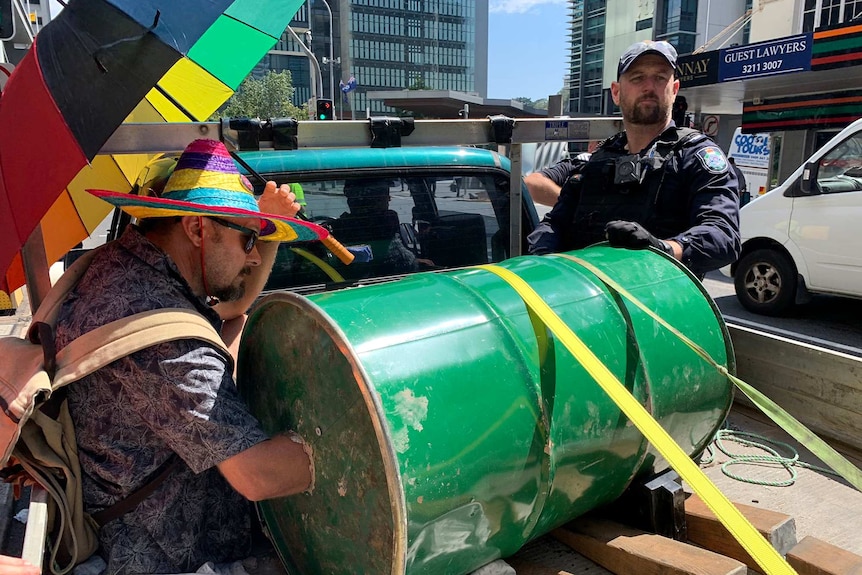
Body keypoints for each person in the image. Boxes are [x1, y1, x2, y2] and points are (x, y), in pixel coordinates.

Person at [54, 139, 324, 575]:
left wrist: (268, 226)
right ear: (198, 228)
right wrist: (370, 451)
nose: (254, 257)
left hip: (114, 512)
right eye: (248, 239)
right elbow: (260, 476)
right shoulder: (165, 341)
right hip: (170, 553)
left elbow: (231, 308)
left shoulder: (121, 266)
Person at [527, 40, 741, 277]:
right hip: (586, 299)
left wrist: (664, 248)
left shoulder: (695, 156)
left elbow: (724, 236)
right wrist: (543, 264)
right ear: (617, 92)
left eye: (660, 77)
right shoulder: (598, 159)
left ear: (675, 89)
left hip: (658, 303)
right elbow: (555, 223)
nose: (649, 86)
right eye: (637, 77)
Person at [330, 178, 423, 275]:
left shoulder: (336, 230)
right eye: (385, 195)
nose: (390, 198)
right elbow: (400, 259)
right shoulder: (388, 222)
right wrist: (416, 262)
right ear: (375, 200)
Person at [524, 148, 594, 207]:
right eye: (601, 143)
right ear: (591, 146)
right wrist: (571, 201)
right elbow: (531, 183)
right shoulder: (577, 166)